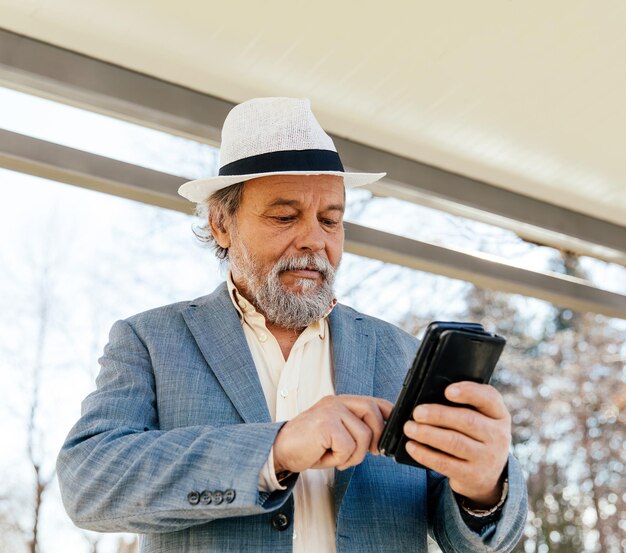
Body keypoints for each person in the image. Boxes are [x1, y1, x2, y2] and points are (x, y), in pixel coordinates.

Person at [57, 97, 527, 553]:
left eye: (331, 219)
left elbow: (477, 540)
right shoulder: (150, 341)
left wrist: (484, 487)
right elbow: (89, 483)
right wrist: (276, 449)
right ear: (222, 225)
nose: (314, 239)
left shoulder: (401, 353)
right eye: (285, 216)